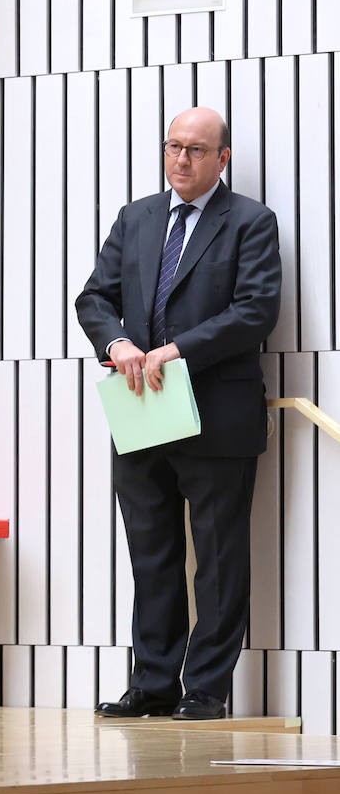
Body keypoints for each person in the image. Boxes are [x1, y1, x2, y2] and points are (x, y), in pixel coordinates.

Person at [76, 106, 281, 720]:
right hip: (141, 411)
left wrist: (175, 349)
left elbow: (255, 311)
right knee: (152, 555)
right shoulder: (135, 218)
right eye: (173, 147)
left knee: (218, 561)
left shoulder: (250, 221)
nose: (181, 160)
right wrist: (118, 343)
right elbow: (94, 297)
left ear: (221, 159)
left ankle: (206, 691)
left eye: (195, 150)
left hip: (217, 415)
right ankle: (154, 684)